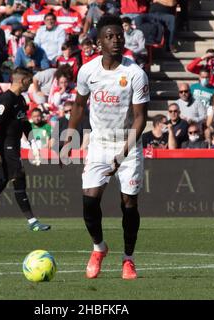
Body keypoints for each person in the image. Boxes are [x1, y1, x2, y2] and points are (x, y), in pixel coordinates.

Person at [62, 15, 150, 280]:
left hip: (128, 145)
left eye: (119, 35)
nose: (116, 40)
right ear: (99, 42)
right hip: (99, 143)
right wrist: (68, 136)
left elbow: (140, 118)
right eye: (110, 36)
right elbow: (78, 106)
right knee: (89, 201)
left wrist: (122, 153)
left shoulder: (135, 73)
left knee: (129, 204)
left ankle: (128, 259)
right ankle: (99, 248)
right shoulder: (88, 71)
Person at [0, 67, 51, 232]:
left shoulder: (21, 100)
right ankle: (33, 222)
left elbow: (25, 123)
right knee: (19, 177)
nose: (31, 84)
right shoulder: (6, 99)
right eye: (29, 80)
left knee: (0, 181)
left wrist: (34, 144)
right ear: (22, 80)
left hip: (13, 145)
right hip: (5, 146)